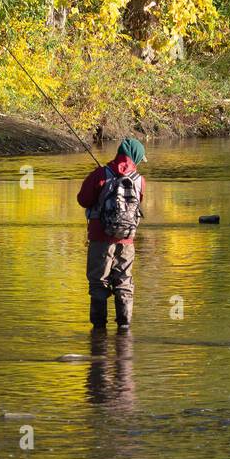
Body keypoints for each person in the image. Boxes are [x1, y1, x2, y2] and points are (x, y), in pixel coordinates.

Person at [77, 138, 147, 330]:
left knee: (99, 281)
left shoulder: (100, 174)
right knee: (124, 280)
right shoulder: (140, 180)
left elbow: (83, 200)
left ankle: (99, 329)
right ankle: (124, 327)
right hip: (127, 240)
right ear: (136, 158)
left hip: (100, 238)